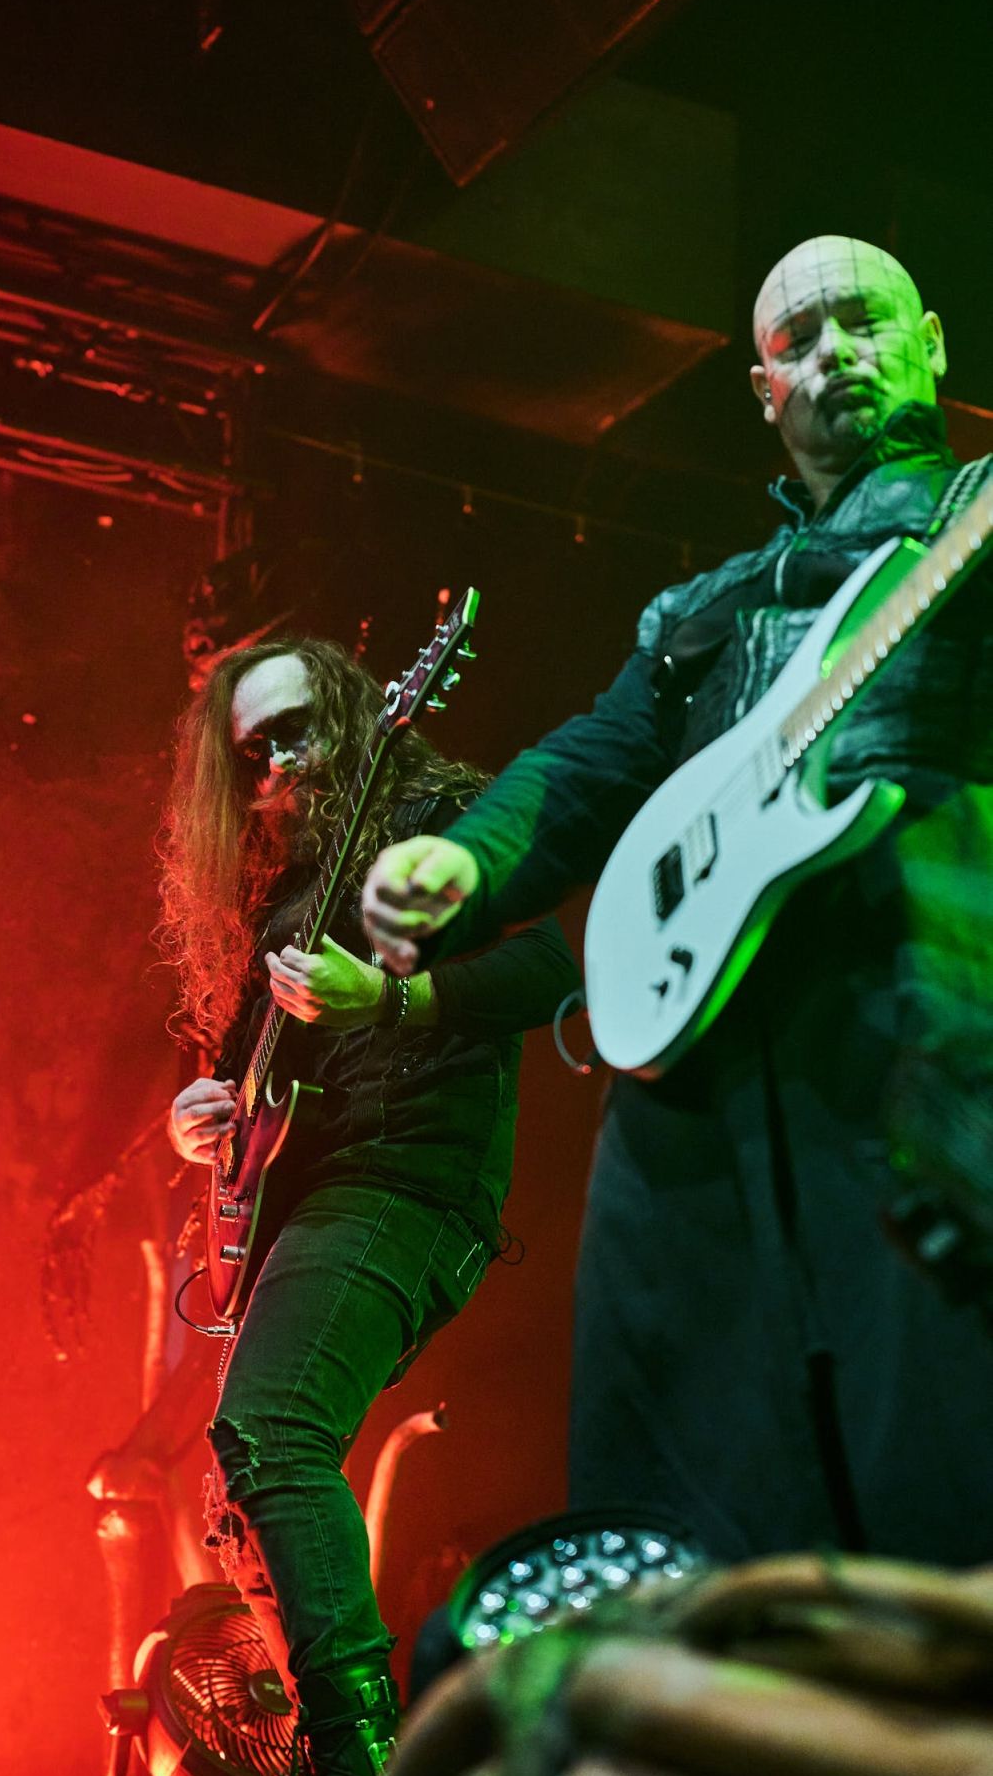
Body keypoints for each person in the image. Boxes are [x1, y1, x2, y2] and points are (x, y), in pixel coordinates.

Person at [361, 236, 993, 1570]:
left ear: (932, 343)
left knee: (937, 1428)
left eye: (864, 322)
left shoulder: (973, 520)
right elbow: (589, 765)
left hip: (917, 1014)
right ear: (762, 391)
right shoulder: (700, 609)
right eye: (798, 340)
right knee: (682, 1461)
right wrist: (469, 862)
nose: (836, 354)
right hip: (691, 1077)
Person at [158, 636, 578, 1776]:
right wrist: (200, 1117)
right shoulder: (288, 884)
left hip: (408, 1177)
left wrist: (386, 996)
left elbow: (551, 963)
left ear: (356, 706)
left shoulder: (436, 815)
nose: (279, 762)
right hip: (315, 1194)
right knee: (244, 1486)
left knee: (273, 1429)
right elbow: (253, 1079)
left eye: (298, 727)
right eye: (252, 751)